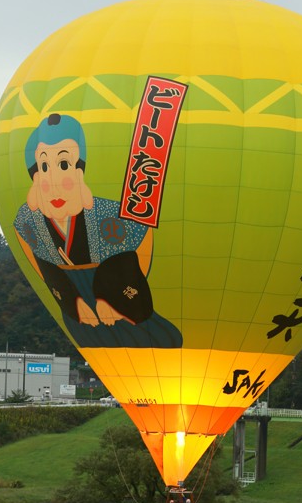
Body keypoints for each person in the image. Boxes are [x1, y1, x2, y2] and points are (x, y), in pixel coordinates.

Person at [13, 113, 182, 350]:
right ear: (34, 177)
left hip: (123, 305)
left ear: (79, 171)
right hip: (81, 315)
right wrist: (73, 300)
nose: (54, 180)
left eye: (64, 165)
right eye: (43, 167)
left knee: (165, 340)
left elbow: (143, 242)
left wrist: (115, 301)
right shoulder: (27, 219)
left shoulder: (109, 213)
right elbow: (32, 254)